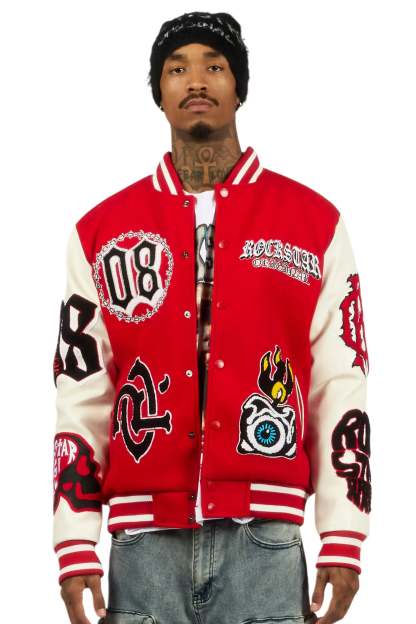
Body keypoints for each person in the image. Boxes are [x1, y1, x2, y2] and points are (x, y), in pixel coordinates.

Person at [52, 11, 371, 624]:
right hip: (142, 543)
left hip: (267, 538)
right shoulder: (100, 232)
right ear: (158, 92)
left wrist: (343, 534)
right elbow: (82, 389)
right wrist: (74, 541)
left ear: (239, 88)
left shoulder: (313, 224)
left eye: (215, 66)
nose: (196, 80)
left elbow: (341, 381)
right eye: (177, 68)